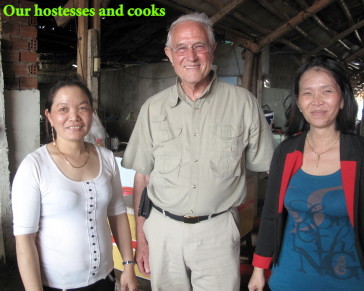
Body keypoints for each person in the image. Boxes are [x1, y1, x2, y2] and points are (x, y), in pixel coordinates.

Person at [121, 12, 275, 290]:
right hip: (163, 230)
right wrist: (142, 240)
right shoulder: (152, 108)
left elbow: (268, 170)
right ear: (169, 54)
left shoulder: (243, 103)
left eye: (199, 45)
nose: (190, 56)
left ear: (213, 49)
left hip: (217, 230)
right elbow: (143, 179)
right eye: (181, 47)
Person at [248, 55, 364, 291]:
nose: (317, 101)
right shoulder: (287, 151)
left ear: (342, 100)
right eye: (308, 93)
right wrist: (259, 269)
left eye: (327, 91)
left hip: (349, 281)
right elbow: (271, 212)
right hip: (289, 280)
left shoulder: (360, 153)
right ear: (299, 103)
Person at [12, 76, 138, 291]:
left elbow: (117, 214)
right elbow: (25, 240)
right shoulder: (34, 166)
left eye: (82, 108)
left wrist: (128, 265)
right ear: (49, 116)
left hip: (104, 279)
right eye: (63, 109)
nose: (74, 117)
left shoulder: (106, 158)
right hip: (57, 285)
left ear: (91, 113)